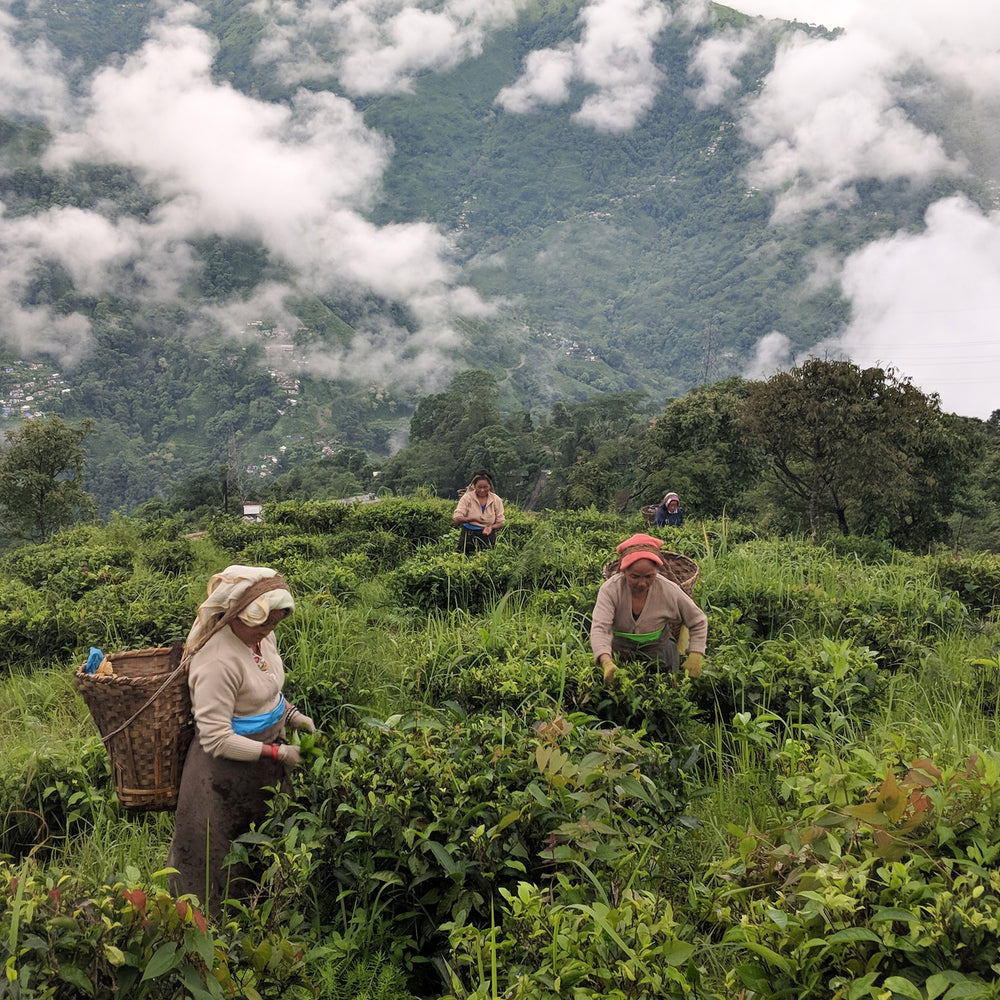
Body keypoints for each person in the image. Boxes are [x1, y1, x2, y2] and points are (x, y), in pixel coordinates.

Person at [167, 565, 316, 916]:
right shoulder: (217, 659)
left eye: (275, 623)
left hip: (265, 766)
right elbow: (216, 738)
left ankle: (268, 912)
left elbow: (265, 693)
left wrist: (292, 715)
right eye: (263, 623)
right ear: (237, 614)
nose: (269, 630)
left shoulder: (263, 638)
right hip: (221, 778)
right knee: (218, 859)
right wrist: (278, 753)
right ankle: (212, 933)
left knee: (266, 843)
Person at [590, 534, 707, 685]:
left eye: (649, 576)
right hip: (619, 655)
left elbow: (698, 620)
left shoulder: (667, 590)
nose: (642, 583)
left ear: (657, 572)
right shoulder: (611, 590)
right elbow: (600, 628)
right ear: (623, 571)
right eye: (635, 576)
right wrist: (606, 661)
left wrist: (696, 654)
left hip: (661, 657)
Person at [453, 469, 505, 553]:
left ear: (490, 486)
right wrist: (471, 519)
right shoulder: (467, 498)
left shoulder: (496, 500)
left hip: (488, 536)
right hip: (468, 534)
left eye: (485, 487)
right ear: (474, 486)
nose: (482, 490)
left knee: (486, 561)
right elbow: (457, 517)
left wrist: (490, 527)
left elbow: (501, 522)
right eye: (479, 487)